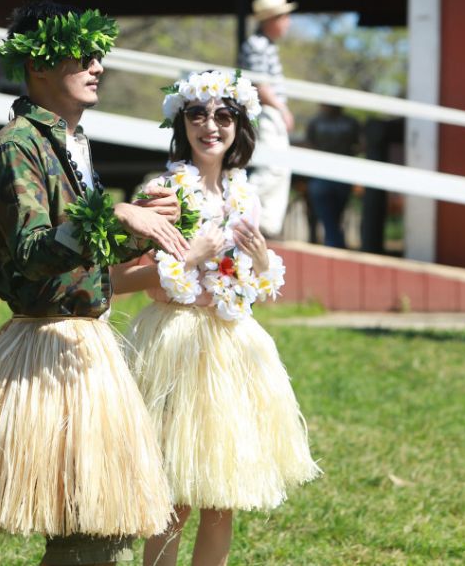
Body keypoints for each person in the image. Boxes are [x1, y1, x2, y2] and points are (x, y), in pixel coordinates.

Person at [0, 1, 190, 565]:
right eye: (82, 55)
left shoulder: (72, 142)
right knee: (83, 530)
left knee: (102, 528)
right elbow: (33, 255)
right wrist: (116, 215)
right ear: (39, 66)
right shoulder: (18, 147)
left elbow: (89, 253)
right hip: (47, 349)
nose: (98, 66)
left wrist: (148, 222)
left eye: (99, 55)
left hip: (87, 348)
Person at [112, 71, 322, 566]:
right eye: (197, 115)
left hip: (232, 348)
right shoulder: (163, 190)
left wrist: (264, 261)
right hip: (175, 344)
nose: (211, 126)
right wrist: (185, 259)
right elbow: (116, 279)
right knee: (174, 495)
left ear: (239, 127)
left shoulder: (243, 195)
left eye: (224, 116)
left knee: (222, 496)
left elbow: (251, 282)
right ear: (181, 123)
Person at [238, 0, 297, 238]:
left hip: (271, 113)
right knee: (273, 168)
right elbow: (260, 85)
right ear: (271, 19)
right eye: (283, 17)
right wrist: (282, 109)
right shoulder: (257, 45)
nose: (287, 22)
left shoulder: (266, 45)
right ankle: (238, 206)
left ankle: (266, 225)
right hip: (266, 113)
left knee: (281, 168)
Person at [305, 104, 361, 248]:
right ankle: (335, 243)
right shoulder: (317, 122)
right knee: (328, 215)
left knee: (334, 215)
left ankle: (334, 242)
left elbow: (361, 144)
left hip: (342, 174)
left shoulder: (350, 122)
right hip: (322, 175)